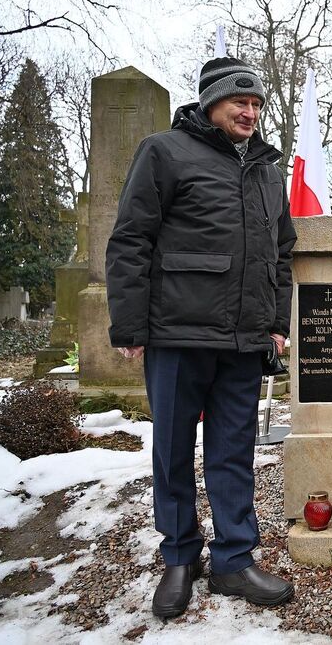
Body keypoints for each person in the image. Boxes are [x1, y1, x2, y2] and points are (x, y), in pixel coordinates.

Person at [106, 57, 298, 618]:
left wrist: (278, 322)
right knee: (171, 450)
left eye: (257, 103)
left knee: (233, 452)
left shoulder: (267, 168)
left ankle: (235, 560)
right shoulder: (164, 152)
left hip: (243, 340)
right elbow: (131, 239)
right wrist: (130, 325)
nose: (250, 111)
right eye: (240, 101)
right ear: (211, 103)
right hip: (177, 334)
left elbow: (280, 253)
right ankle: (180, 556)